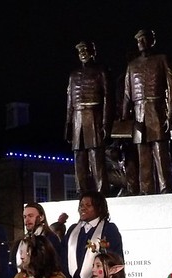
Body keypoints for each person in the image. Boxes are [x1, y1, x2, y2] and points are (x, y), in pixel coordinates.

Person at [122, 29, 172, 194]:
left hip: (157, 109)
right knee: (143, 155)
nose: (141, 42)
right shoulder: (132, 65)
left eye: (145, 39)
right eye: (139, 40)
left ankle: (166, 188)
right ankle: (146, 191)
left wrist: (171, 114)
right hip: (139, 113)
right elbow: (127, 94)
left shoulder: (162, 59)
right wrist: (124, 120)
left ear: (152, 41)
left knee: (161, 153)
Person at [65, 40, 112, 194]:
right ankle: (81, 190)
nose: (83, 53)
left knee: (96, 154)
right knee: (79, 155)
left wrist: (106, 123)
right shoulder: (73, 75)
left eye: (85, 50)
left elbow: (107, 98)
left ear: (93, 51)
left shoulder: (101, 71)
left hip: (94, 114)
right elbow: (70, 102)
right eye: (80, 51)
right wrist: (68, 124)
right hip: (77, 117)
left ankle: (101, 190)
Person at [14, 203, 61, 269]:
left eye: (30, 216)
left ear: (41, 217)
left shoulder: (51, 238)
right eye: (25, 217)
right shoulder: (23, 240)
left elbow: (55, 265)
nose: (27, 220)